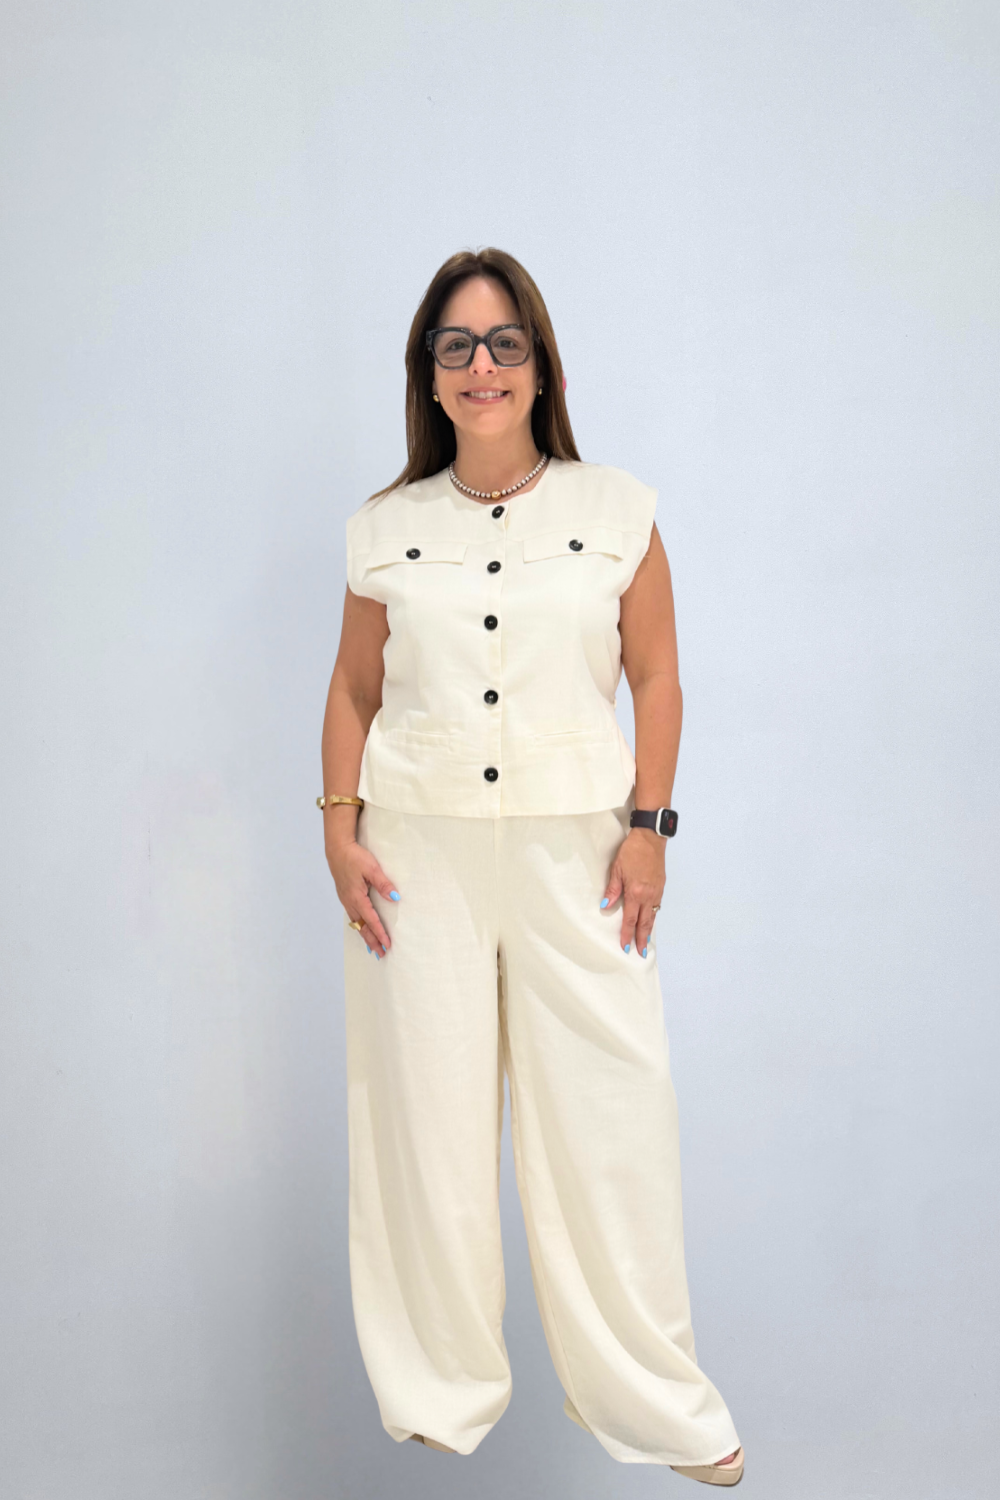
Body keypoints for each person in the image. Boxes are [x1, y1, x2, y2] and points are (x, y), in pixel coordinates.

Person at [319, 248, 745, 1485]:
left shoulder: (616, 511)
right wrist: (339, 827)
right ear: (428, 374)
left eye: (505, 343)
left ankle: (657, 1403)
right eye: (456, 346)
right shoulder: (384, 529)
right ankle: (438, 1387)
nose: (482, 366)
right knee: (423, 1120)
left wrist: (647, 826)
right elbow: (353, 686)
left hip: (578, 854)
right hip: (418, 853)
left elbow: (656, 674)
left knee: (611, 1118)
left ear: (541, 365)